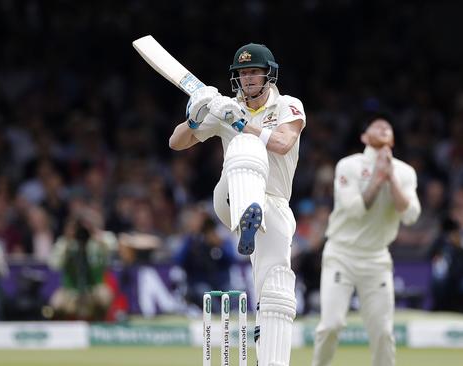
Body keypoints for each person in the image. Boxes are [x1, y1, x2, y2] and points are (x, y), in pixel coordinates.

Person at [168, 43, 305, 366]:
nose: (247, 79)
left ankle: (271, 362)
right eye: (242, 73)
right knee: (244, 147)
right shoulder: (225, 108)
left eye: (253, 72)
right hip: (230, 194)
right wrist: (193, 117)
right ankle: (246, 215)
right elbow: (175, 143)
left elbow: (284, 144)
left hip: (274, 207)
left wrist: (242, 120)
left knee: (277, 293)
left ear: (268, 74)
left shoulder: (288, 105)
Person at [312, 116, 420, 366]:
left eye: (387, 127)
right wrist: (377, 178)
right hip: (341, 254)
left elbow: (411, 215)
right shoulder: (348, 166)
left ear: (392, 139)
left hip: (376, 258)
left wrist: (391, 177)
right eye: (375, 126)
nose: (382, 126)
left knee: (382, 332)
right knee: (331, 325)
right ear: (363, 137)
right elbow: (355, 209)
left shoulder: (404, 172)